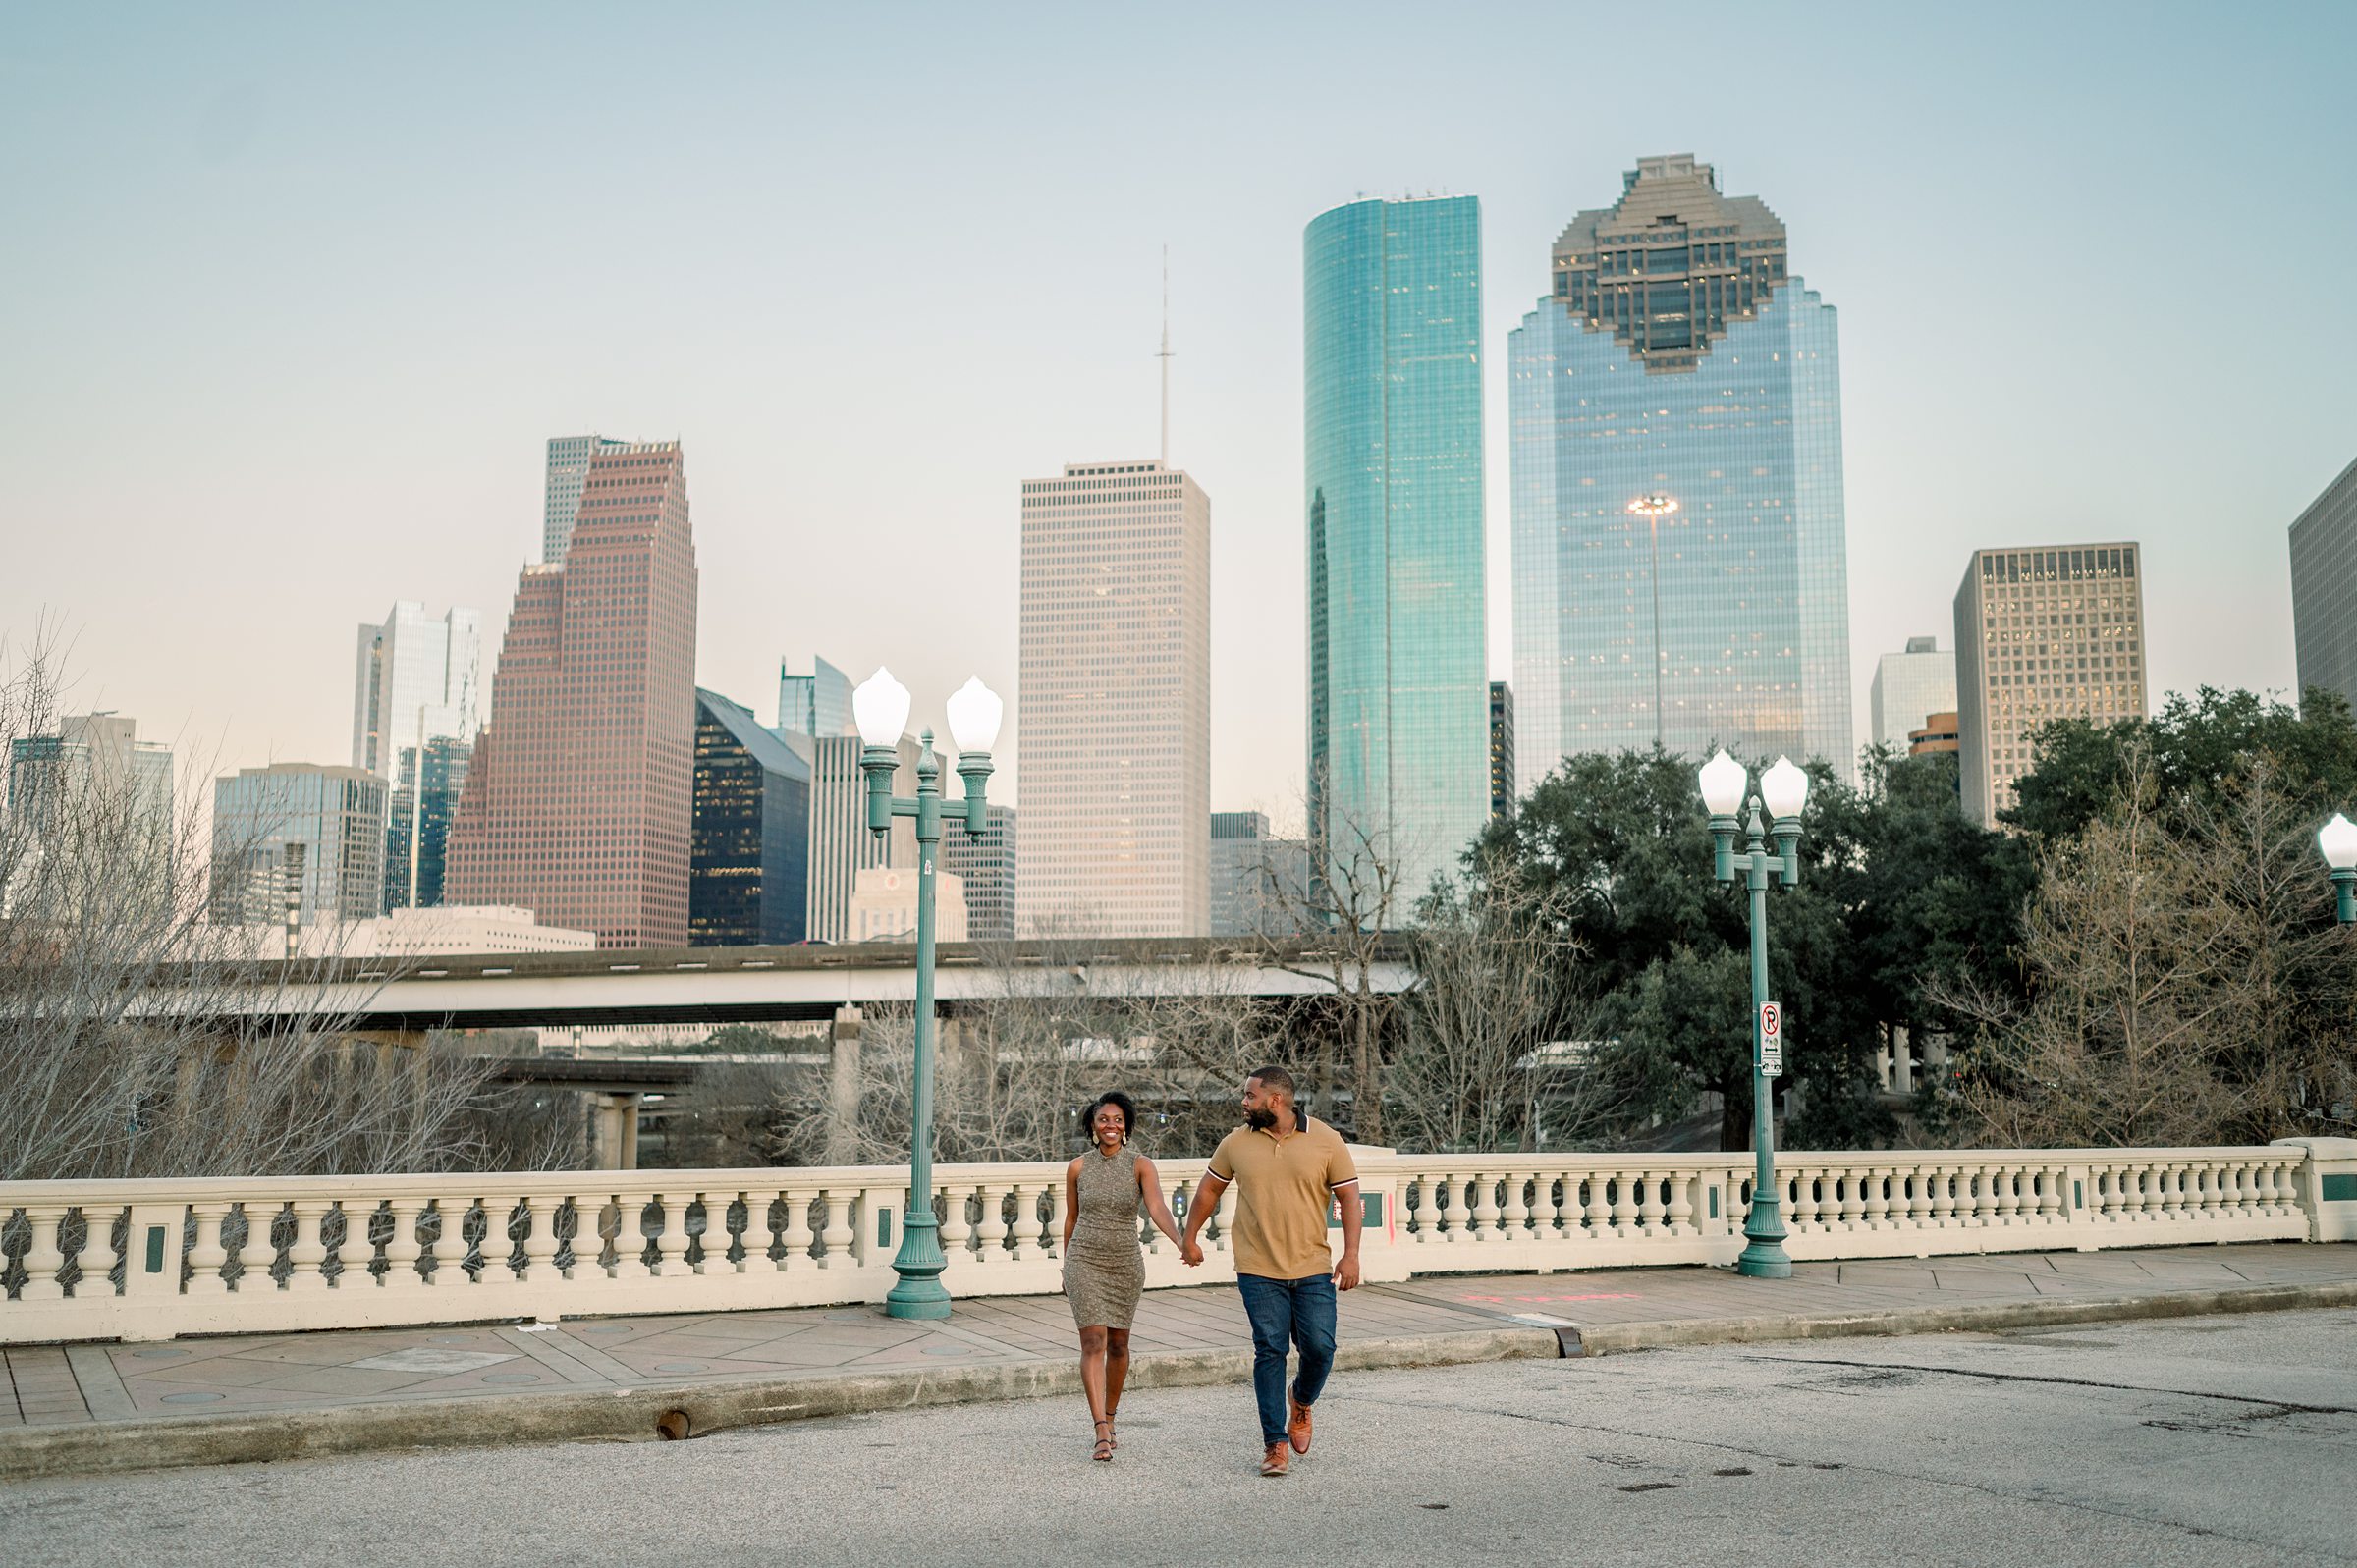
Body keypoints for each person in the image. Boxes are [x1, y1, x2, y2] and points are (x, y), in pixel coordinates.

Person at [1180, 1064, 1360, 1478]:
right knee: (1270, 1350)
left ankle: (1302, 1398)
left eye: (1250, 1096)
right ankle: (1274, 1443)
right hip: (1257, 1267)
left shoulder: (1326, 1140)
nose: (1244, 1103)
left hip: (1312, 1265)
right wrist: (1190, 1237)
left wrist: (1351, 1255)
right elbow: (1209, 1189)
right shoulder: (1236, 1143)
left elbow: (1349, 1197)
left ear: (1275, 1100)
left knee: (1320, 1347)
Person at [1062, 1089, 1184, 1462]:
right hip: (1084, 1258)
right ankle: (1099, 1427)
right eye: (1103, 1120)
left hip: (1125, 1262)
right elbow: (1071, 1218)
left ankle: (1112, 1416)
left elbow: (1157, 1207)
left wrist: (1182, 1241)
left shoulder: (1141, 1165)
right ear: (1093, 1127)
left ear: (1126, 1126)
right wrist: (1066, 1264)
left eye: (1117, 1120)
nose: (1110, 1126)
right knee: (1093, 1342)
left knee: (1118, 1345)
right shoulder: (1078, 1167)